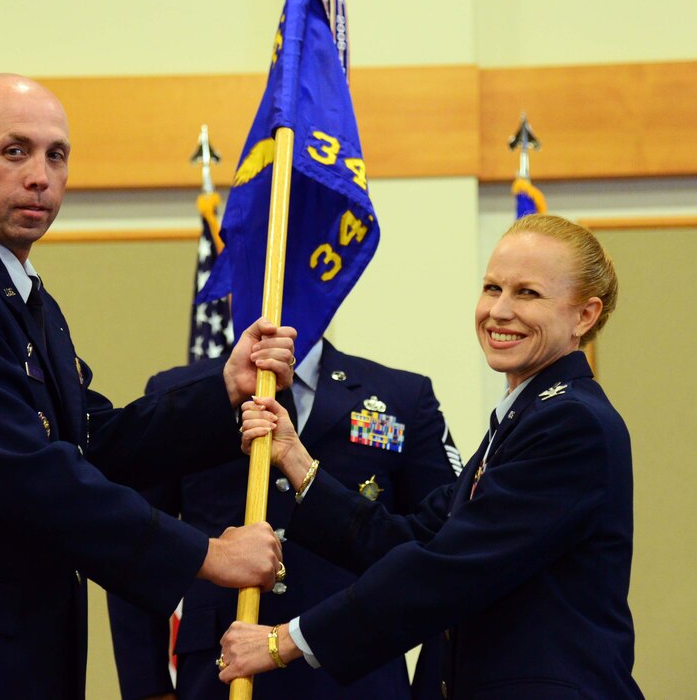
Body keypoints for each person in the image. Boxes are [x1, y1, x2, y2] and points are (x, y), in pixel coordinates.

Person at [0, 74, 297, 700]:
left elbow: (94, 438)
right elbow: (28, 471)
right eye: (15, 151)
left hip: (7, 657)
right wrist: (202, 554)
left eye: (55, 155)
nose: (40, 175)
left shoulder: (22, 296)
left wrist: (222, 389)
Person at [220, 214, 644, 699]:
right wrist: (294, 459)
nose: (500, 311)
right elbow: (406, 539)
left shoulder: (572, 423)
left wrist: (285, 641)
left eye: (528, 293)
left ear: (584, 316)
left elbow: (449, 567)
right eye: (492, 288)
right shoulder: (522, 421)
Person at [107, 337, 462, 700]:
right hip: (218, 672)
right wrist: (147, 688)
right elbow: (137, 542)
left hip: (356, 676)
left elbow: (446, 551)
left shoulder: (401, 395)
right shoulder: (184, 394)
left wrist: (437, 688)